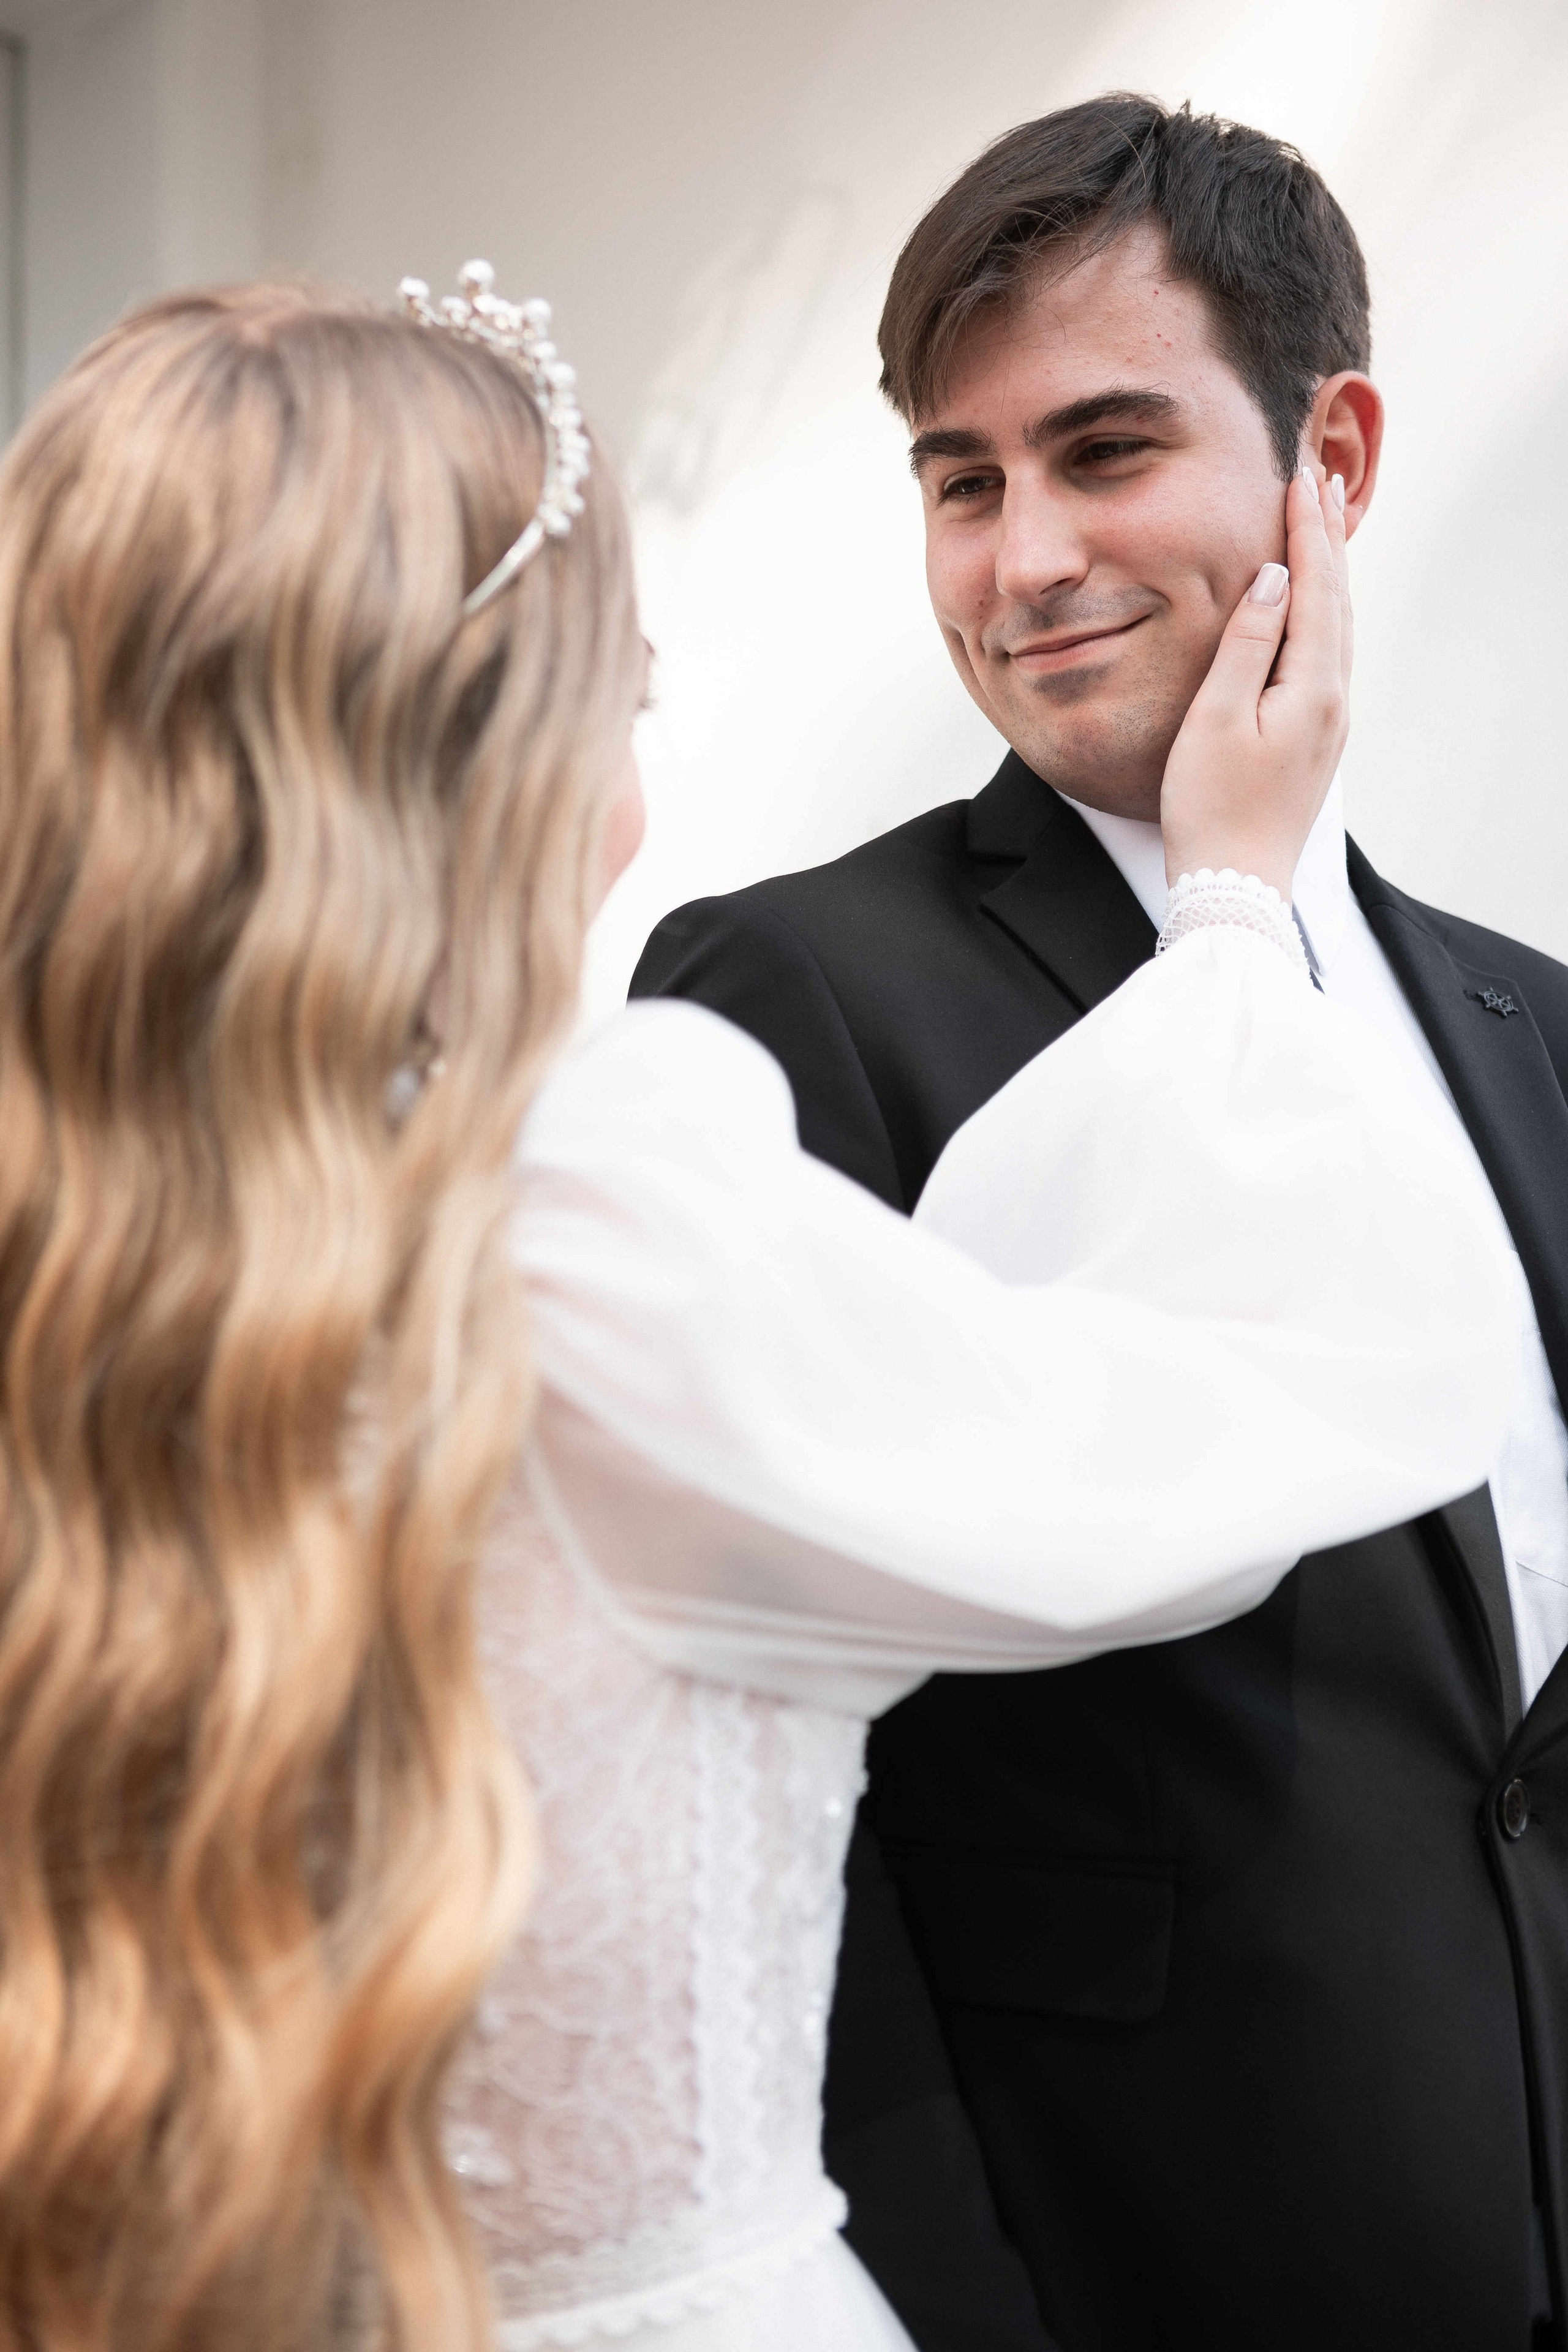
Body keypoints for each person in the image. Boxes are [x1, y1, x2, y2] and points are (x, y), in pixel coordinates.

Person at [0, 271, 1509, 2352]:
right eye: (618, 693)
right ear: (492, 738)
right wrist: (1234, 913)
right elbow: (1165, 1438)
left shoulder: (80, 1245)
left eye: (1105, 450)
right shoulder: (595, 1217)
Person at [630, 96, 1568, 2352]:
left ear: (1333, 456)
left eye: (1104, 450)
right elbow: (766, 1816)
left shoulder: (1535, 1025)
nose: (1022, 559)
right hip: (1118, 2281)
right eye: (963, 482)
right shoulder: (789, 994)